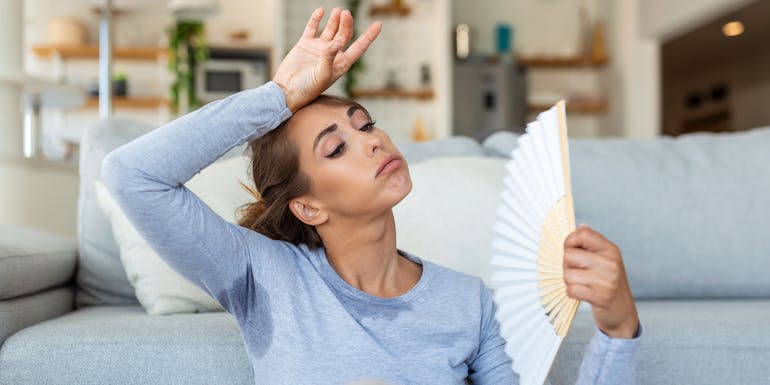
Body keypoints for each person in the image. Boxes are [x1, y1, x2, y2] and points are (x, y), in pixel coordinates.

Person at [102, 7, 641, 385]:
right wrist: (280, 96)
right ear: (309, 207)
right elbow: (132, 174)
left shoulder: (468, 303)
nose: (372, 140)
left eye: (366, 126)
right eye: (337, 148)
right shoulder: (263, 277)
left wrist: (618, 330)